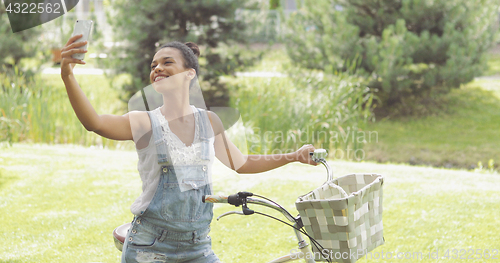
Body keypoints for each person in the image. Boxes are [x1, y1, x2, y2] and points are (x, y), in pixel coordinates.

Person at [60, 34, 317, 263]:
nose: (157, 68)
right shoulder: (143, 121)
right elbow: (94, 123)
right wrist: (68, 75)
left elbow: (242, 163)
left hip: (198, 246)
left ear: (189, 73)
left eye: (167, 62)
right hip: (149, 246)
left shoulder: (209, 121)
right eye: (154, 65)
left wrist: (294, 156)